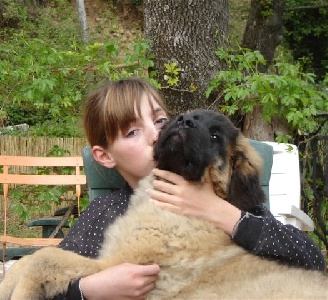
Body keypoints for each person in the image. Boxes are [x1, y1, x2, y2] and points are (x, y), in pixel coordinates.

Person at [55, 77, 325, 300]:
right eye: (132, 132)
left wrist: (220, 212)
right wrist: (87, 289)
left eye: (160, 121)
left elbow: (311, 260)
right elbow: (50, 282)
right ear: (105, 156)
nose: (154, 135)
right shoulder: (107, 210)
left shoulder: (229, 200)